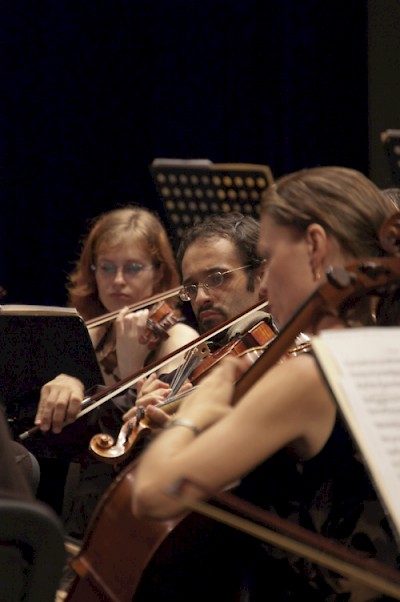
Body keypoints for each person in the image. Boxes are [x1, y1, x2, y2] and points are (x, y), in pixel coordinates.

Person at [132, 166, 400, 601]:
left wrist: (192, 416)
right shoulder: (385, 352)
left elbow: (152, 493)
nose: (263, 283)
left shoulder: (307, 377)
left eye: (269, 258)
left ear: (315, 246)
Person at [32, 205, 199, 517]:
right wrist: (66, 381)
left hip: (136, 496)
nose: (118, 280)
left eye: (133, 268)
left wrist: (130, 365)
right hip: (79, 487)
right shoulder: (88, 332)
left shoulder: (179, 339)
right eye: (106, 268)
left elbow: (147, 443)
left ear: (158, 272)